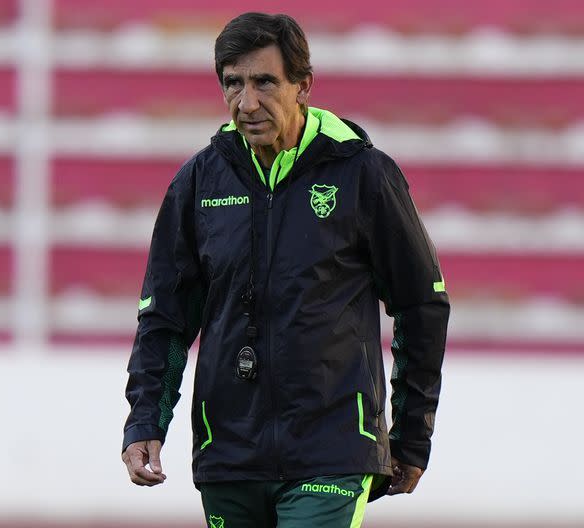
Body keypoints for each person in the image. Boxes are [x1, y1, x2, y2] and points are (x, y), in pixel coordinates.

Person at [121, 12, 450, 528]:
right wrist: (145, 419)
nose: (246, 103)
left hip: (333, 451)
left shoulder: (364, 174)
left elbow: (421, 304)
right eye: (233, 83)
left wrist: (412, 434)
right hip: (229, 454)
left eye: (264, 82)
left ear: (303, 86)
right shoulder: (197, 183)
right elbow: (165, 315)